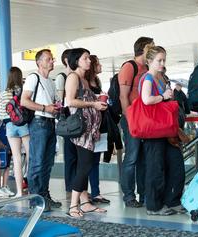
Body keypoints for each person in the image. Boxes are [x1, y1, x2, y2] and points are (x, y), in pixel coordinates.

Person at [140, 45, 183, 216]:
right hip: (154, 129)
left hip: (163, 128)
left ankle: (172, 200)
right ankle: (154, 205)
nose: (162, 63)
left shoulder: (161, 78)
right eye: (159, 60)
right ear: (149, 61)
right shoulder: (149, 77)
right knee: (155, 167)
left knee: (175, 164)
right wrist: (163, 96)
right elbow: (146, 100)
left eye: (164, 60)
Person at [65, 48, 108, 218]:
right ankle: (73, 205)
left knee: (85, 165)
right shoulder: (73, 77)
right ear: (77, 61)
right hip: (81, 130)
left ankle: (85, 203)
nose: (89, 61)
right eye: (86, 58)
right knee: (85, 165)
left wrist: (97, 103)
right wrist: (93, 104)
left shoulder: (84, 79)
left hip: (89, 130)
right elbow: (70, 101)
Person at [21, 49, 61, 211]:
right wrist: (45, 108)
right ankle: (36, 199)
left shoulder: (50, 82)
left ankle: (44, 196)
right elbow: (24, 101)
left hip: (50, 124)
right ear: (39, 62)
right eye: (49, 59)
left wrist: (56, 108)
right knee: (37, 163)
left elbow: (54, 103)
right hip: (39, 123)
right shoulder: (33, 78)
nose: (52, 61)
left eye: (52, 59)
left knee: (47, 163)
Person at [118, 36, 154, 207]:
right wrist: (129, 119)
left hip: (145, 120)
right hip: (132, 119)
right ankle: (129, 196)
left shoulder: (147, 68)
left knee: (143, 159)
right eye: (151, 48)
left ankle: (144, 194)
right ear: (144, 48)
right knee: (131, 157)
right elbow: (123, 96)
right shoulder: (129, 66)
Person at [0, 66, 29, 197]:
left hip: (10, 126)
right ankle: (32, 186)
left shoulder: (4, 93)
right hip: (24, 124)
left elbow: (2, 115)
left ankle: (19, 191)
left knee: (16, 158)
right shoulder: (23, 91)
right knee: (30, 156)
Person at [84, 54, 110, 204]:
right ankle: (84, 192)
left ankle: (96, 192)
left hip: (100, 124)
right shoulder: (85, 82)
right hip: (90, 125)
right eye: (98, 63)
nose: (100, 66)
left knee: (95, 160)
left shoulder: (97, 81)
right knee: (87, 160)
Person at [55, 49, 77, 197]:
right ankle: (70, 185)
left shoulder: (76, 77)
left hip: (76, 119)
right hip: (68, 120)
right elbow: (60, 100)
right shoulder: (62, 77)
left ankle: (75, 185)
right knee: (70, 154)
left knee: (76, 154)